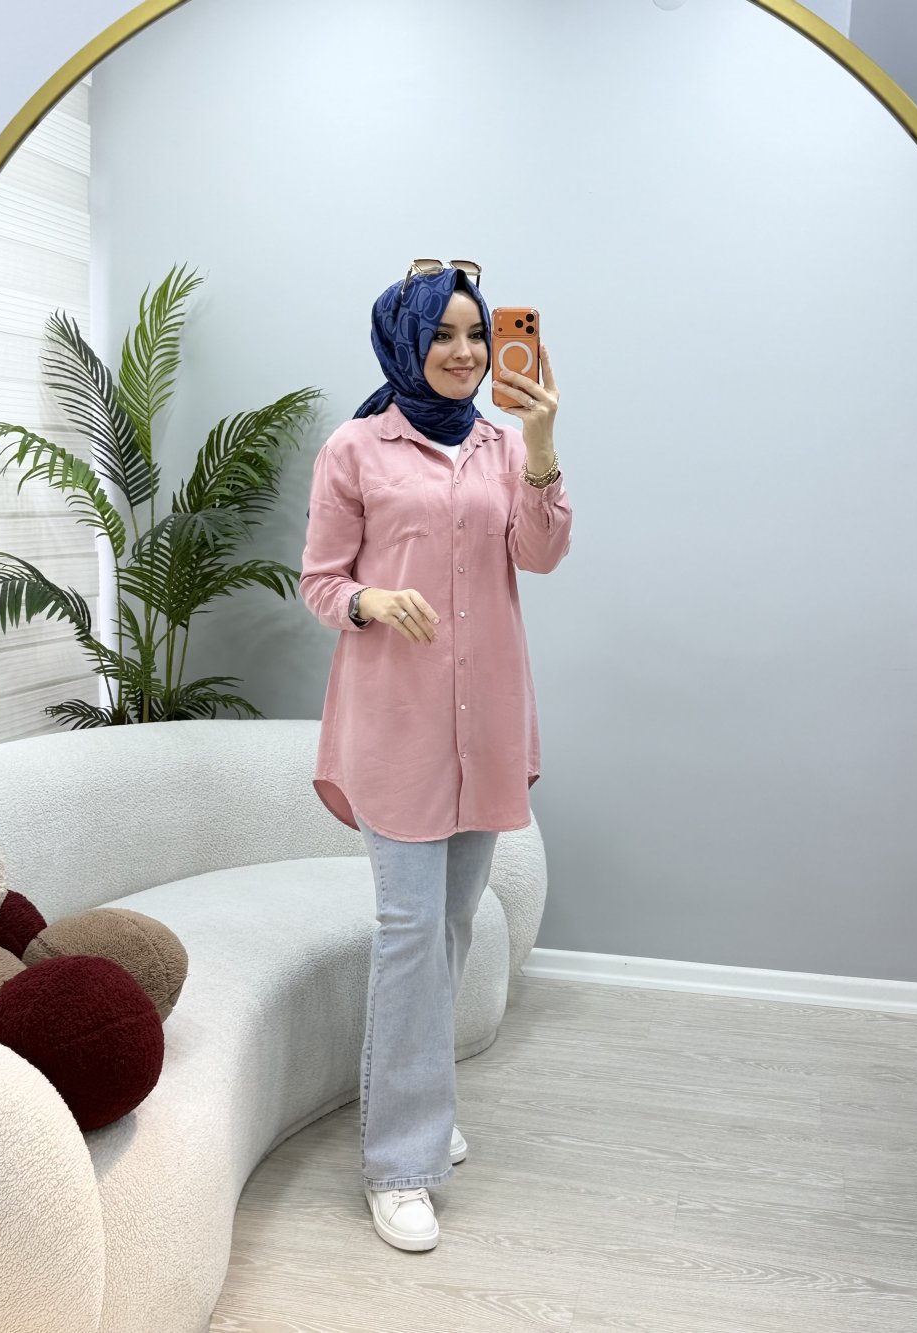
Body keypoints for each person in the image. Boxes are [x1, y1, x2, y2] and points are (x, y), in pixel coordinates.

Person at [299, 258, 572, 1252]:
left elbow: (541, 552)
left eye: (475, 334)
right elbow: (319, 580)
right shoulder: (355, 448)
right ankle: (400, 1162)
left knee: (452, 927)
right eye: (443, 334)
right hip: (395, 729)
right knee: (412, 931)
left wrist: (541, 443)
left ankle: (415, 1102)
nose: (464, 352)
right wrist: (371, 599)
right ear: (405, 342)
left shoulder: (501, 446)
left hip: (484, 725)